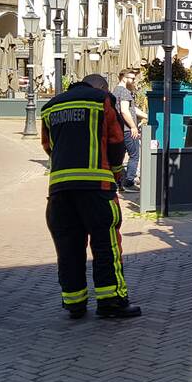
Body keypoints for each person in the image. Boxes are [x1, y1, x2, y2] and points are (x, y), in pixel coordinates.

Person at [40, 73, 141, 319]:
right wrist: (116, 175)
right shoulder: (102, 100)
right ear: (102, 87)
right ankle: (111, 303)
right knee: (106, 246)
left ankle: (74, 303)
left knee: (68, 248)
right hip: (96, 189)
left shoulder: (50, 107)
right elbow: (117, 142)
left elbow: (48, 146)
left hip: (59, 191)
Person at [112, 69, 146, 193]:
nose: (133, 81)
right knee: (135, 156)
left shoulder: (115, 91)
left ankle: (119, 182)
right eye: (131, 78)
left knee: (119, 157)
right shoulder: (125, 92)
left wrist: (145, 115)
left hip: (119, 129)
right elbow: (125, 111)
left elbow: (131, 109)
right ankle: (129, 182)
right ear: (124, 78)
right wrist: (133, 126)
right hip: (128, 130)